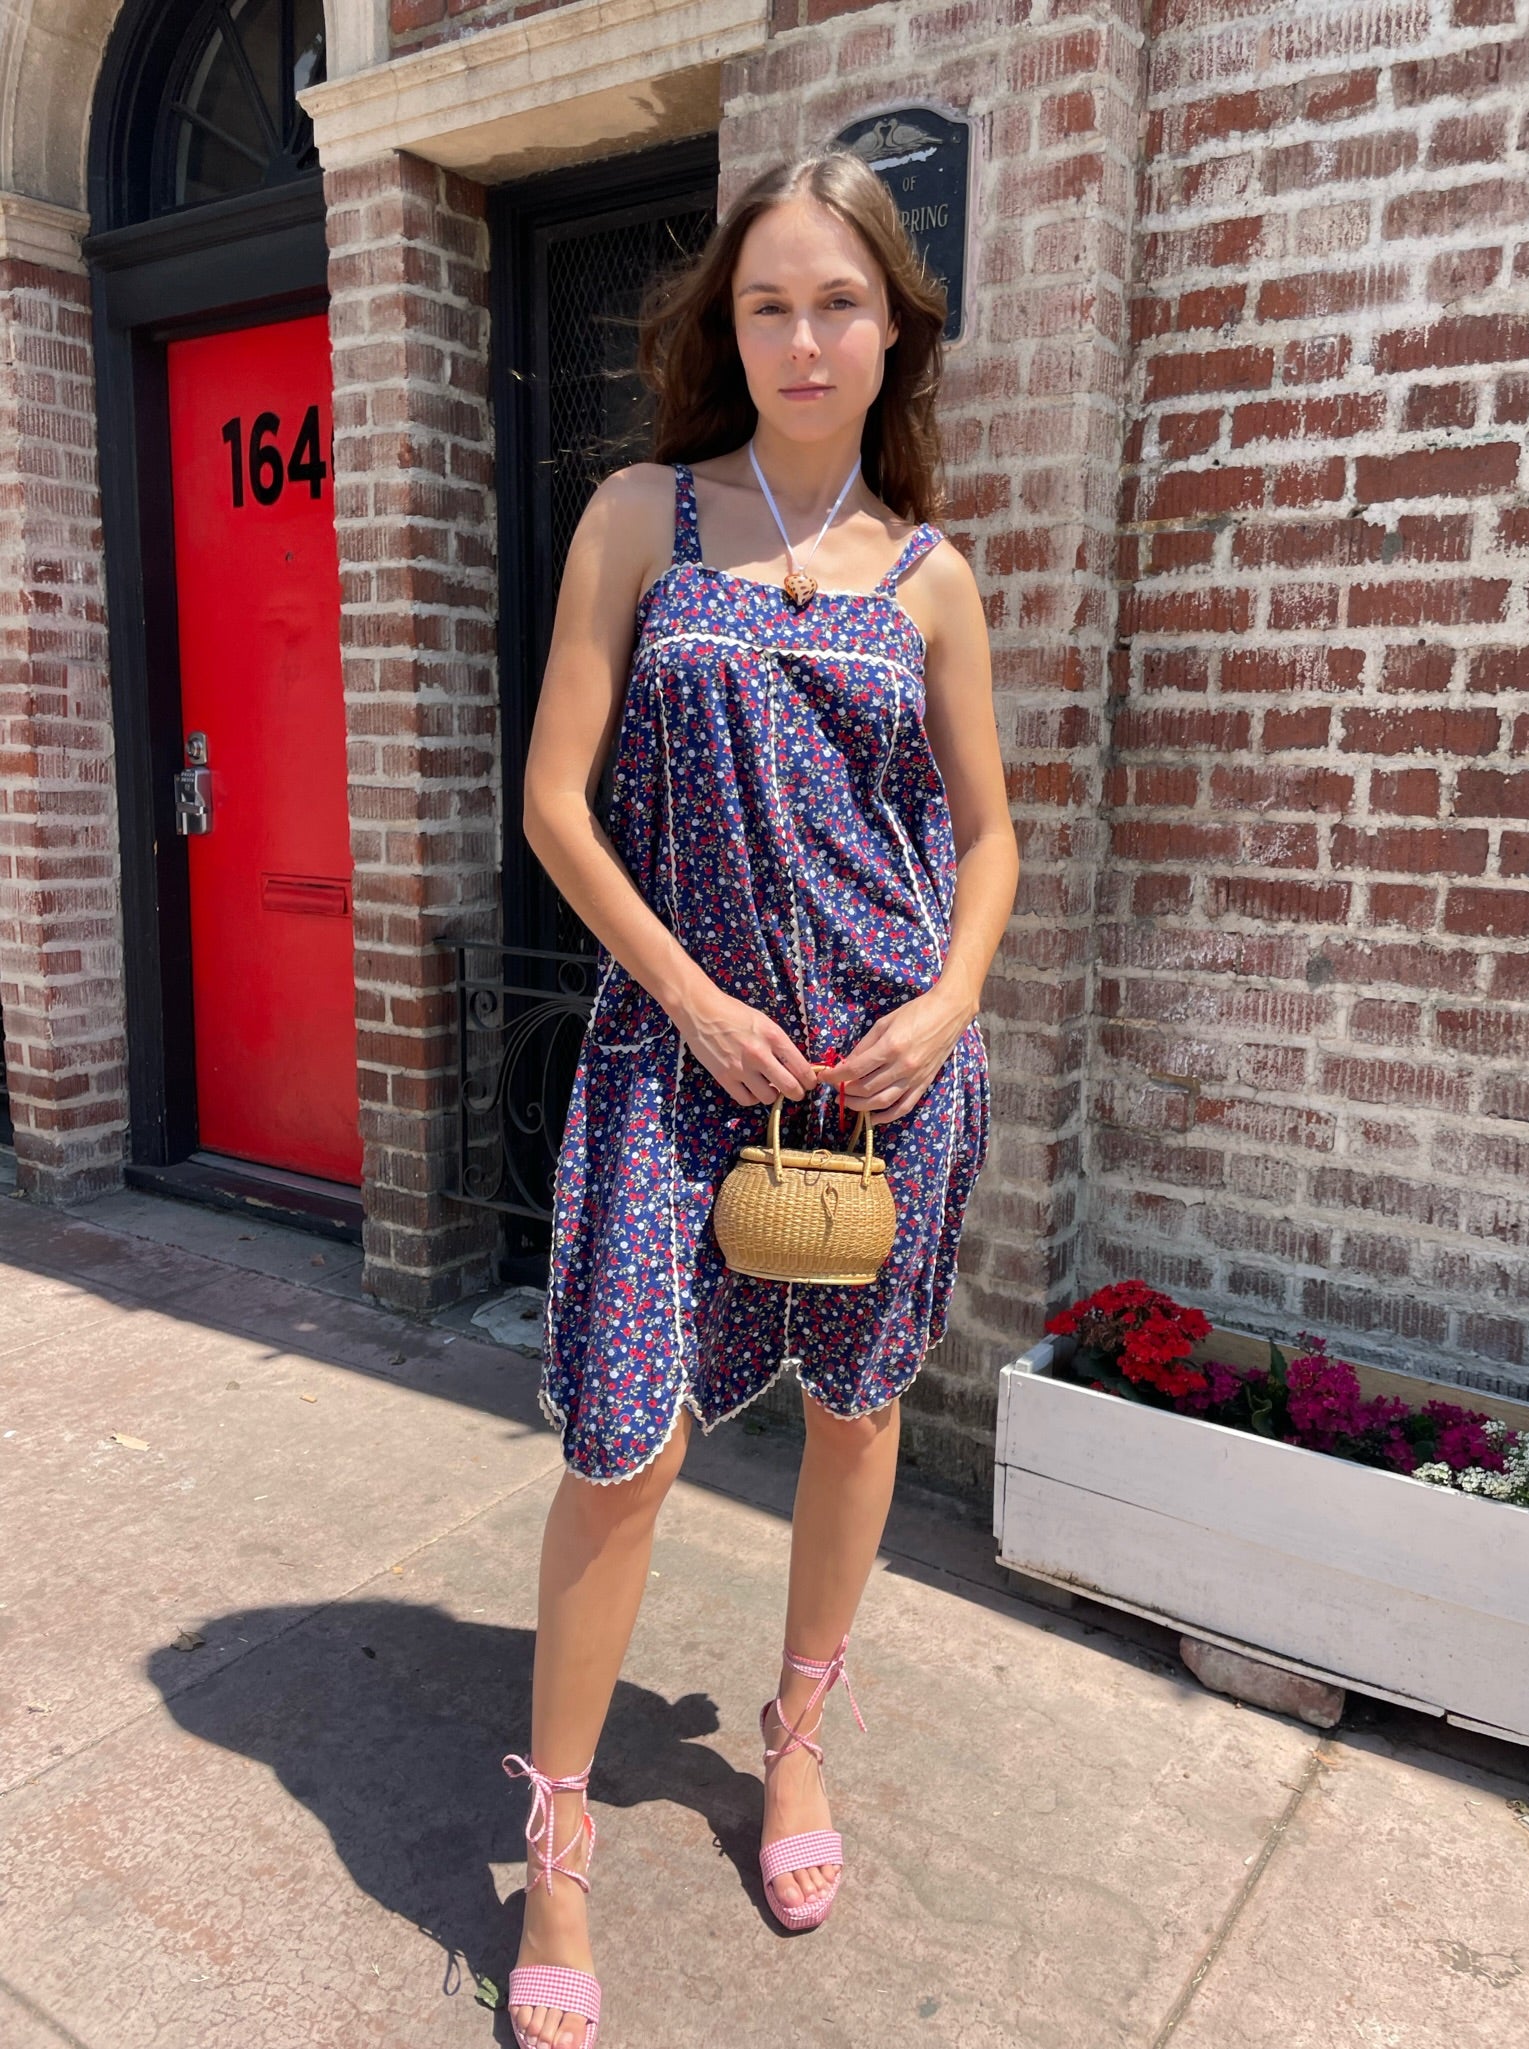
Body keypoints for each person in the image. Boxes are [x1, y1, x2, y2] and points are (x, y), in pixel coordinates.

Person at [506, 148, 1018, 2049]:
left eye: (838, 303)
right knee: (621, 1444)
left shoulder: (931, 574)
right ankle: (557, 1844)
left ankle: (796, 1748)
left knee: (857, 1416)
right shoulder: (647, 516)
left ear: (896, 330)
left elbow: (987, 834)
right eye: (766, 304)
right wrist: (696, 997)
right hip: (677, 1060)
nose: (802, 337)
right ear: (727, 329)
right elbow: (558, 805)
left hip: (886, 1085)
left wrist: (949, 1003)